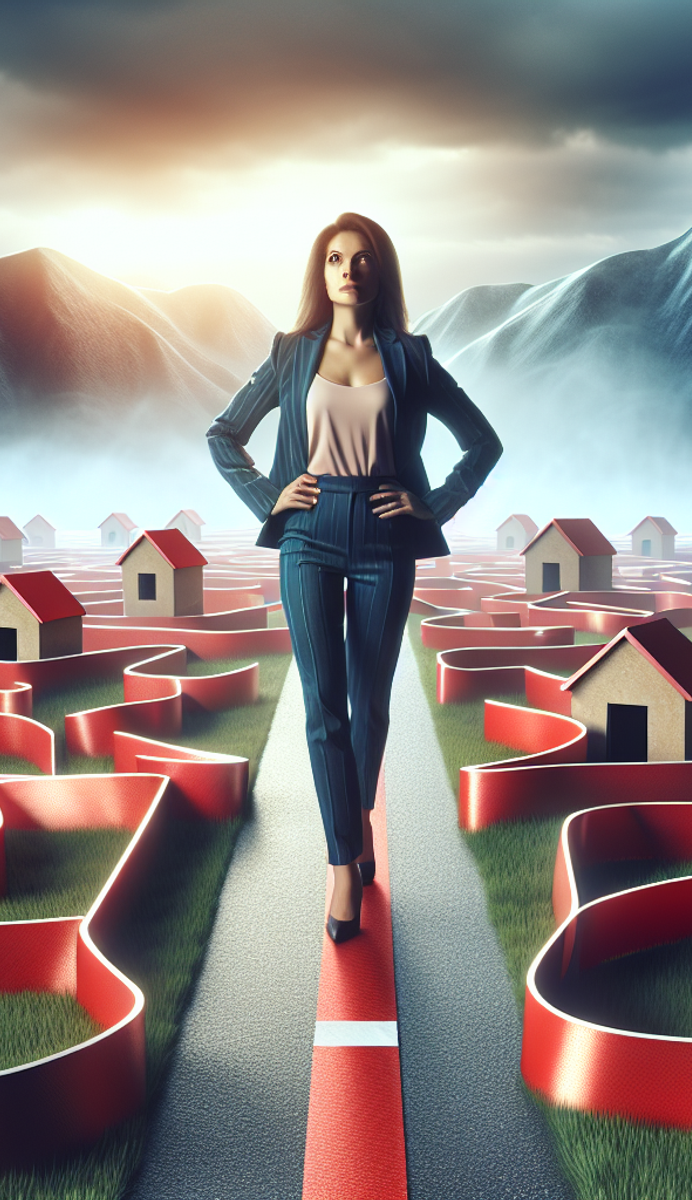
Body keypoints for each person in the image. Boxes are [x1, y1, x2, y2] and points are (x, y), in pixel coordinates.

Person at [207, 213, 501, 943]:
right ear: (321, 271)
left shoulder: (411, 359)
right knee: (323, 706)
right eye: (335, 258)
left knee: (369, 705)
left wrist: (433, 503)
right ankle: (344, 864)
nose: (348, 269)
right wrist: (264, 495)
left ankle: (358, 824)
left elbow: (483, 443)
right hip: (306, 534)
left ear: (380, 270)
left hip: (384, 534)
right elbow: (223, 434)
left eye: (361, 258)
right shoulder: (290, 354)